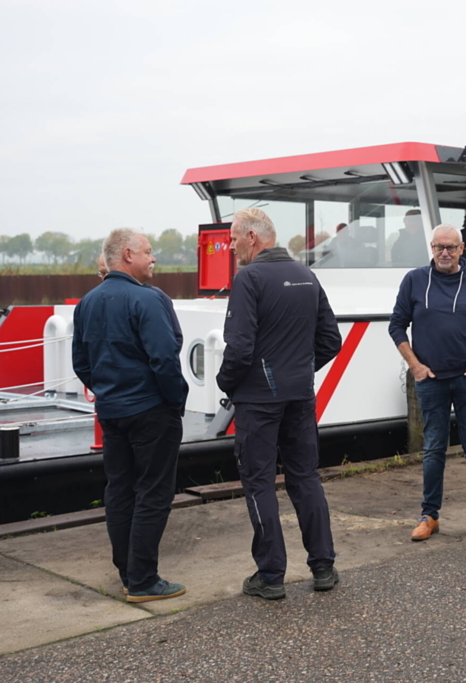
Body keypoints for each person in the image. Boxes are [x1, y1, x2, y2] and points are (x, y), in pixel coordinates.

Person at [217, 207, 343, 600]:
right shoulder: (308, 275)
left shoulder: (249, 278)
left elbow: (239, 348)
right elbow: (330, 341)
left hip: (258, 399)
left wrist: (225, 383)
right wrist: (299, 371)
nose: (232, 245)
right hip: (300, 396)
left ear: (253, 238)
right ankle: (323, 567)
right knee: (305, 477)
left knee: (259, 483)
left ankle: (270, 575)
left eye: (235, 238)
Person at [72, 229, 189, 602]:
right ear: (127, 255)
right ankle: (143, 580)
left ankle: (127, 573)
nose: (154, 258)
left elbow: (82, 363)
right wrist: (175, 400)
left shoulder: (87, 302)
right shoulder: (147, 300)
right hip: (151, 411)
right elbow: (165, 358)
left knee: (119, 490)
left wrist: (108, 389)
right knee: (153, 493)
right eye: (149, 252)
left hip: (112, 411)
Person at [388, 224, 466, 541]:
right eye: (439, 247)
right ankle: (429, 516)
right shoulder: (414, 280)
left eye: (451, 247)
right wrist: (415, 365)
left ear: (462, 248)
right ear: (431, 247)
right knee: (433, 450)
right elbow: (396, 326)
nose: (445, 253)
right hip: (431, 380)